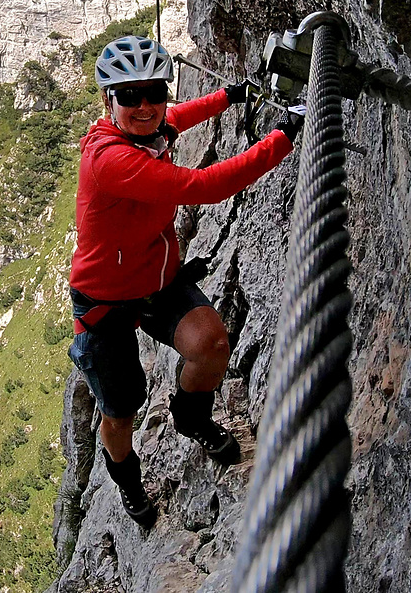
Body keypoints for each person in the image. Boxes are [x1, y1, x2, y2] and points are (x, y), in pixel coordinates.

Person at [68, 35, 302, 527]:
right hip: (104, 302)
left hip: (156, 280)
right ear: (107, 100)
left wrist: (231, 96)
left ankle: (192, 418)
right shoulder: (111, 160)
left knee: (212, 343)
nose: (145, 105)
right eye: (129, 95)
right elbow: (206, 187)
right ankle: (128, 482)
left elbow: (177, 119)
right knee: (120, 411)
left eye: (154, 91)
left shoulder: (144, 132)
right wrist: (282, 137)